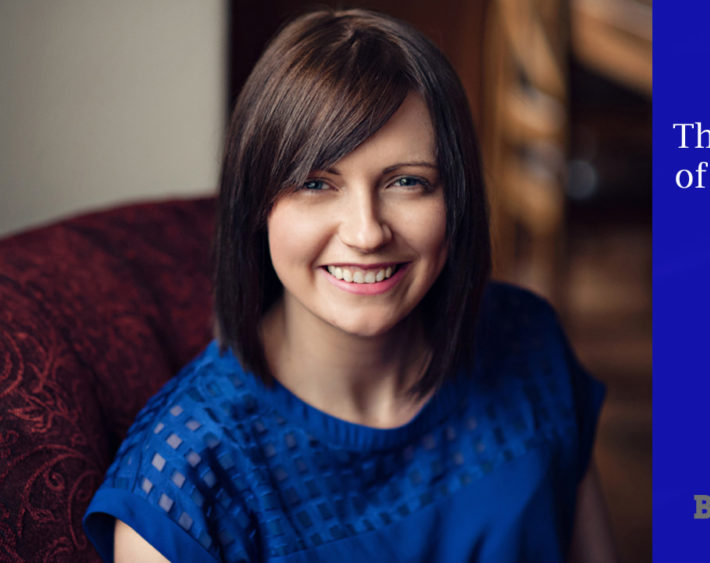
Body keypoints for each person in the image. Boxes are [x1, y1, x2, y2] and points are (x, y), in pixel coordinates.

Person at [83, 8, 613, 562]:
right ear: (257, 205)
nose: (366, 232)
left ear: (455, 198)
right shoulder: (184, 485)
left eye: (408, 182)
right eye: (316, 183)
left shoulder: (529, 340)